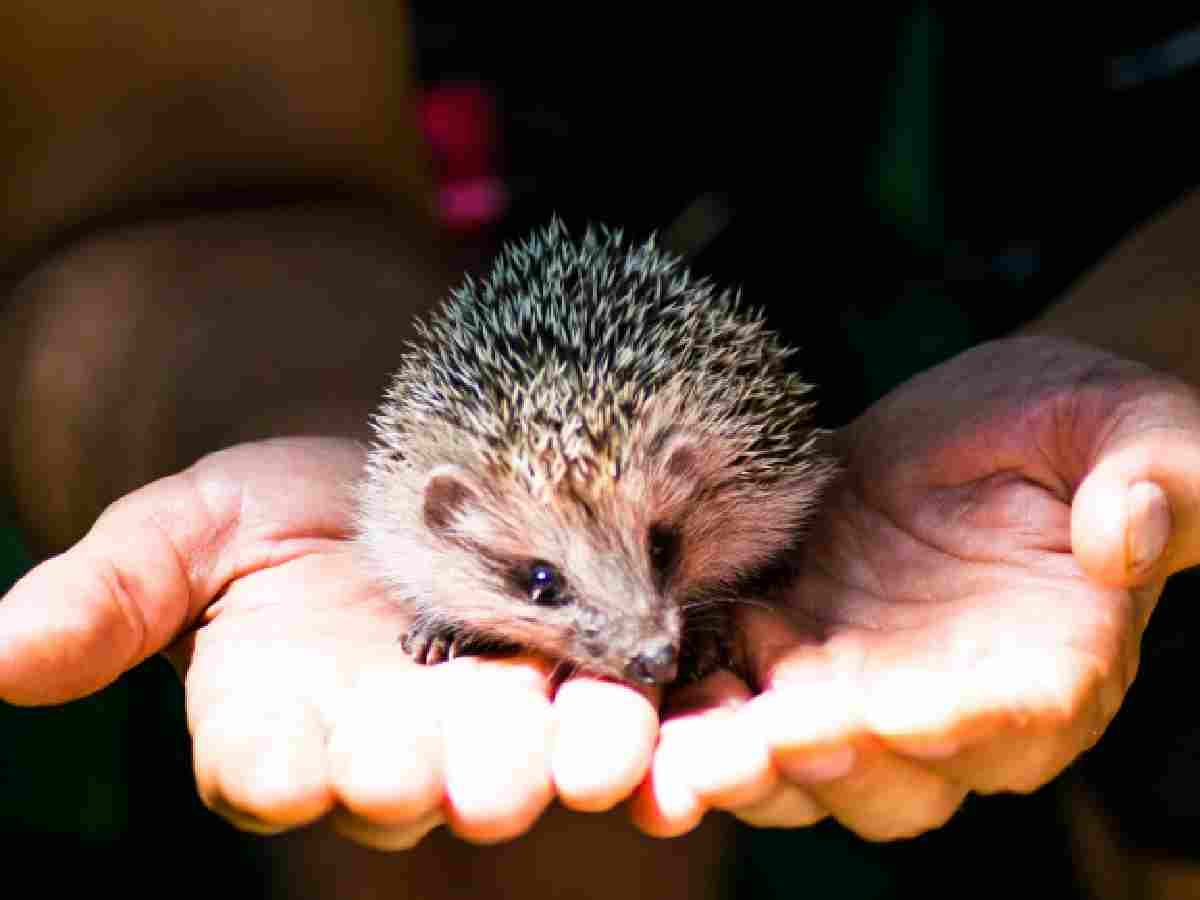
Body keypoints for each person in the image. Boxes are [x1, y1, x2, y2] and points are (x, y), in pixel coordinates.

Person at [4, 3, 1200, 898]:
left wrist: (1155, 337)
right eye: (539, 588)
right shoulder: (419, 532)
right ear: (442, 529)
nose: (648, 631)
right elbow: (181, 184)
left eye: (666, 548)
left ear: (690, 484)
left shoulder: (727, 481)